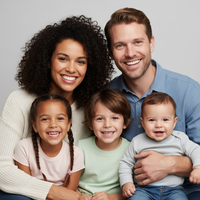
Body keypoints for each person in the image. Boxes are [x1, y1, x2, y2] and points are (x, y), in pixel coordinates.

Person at [0, 15, 114, 200]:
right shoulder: (19, 101)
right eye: (63, 58)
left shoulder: (92, 109)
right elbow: (2, 170)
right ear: (47, 60)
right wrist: (55, 192)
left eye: (81, 61)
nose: (71, 69)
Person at [105, 7, 200, 199]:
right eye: (120, 45)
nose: (130, 53)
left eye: (138, 42)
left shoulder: (189, 91)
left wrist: (169, 164)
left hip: (185, 193)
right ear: (110, 52)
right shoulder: (105, 97)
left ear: (151, 43)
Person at [120, 92, 200, 200]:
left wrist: (197, 167)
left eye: (165, 120)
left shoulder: (180, 138)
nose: (158, 125)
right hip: (144, 190)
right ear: (143, 123)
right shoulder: (137, 141)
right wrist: (127, 183)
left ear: (174, 122)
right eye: (152, 120)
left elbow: (196, 150)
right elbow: (125, 163)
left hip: (174, 190)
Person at [13, 94, 85, 189]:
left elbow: (69, 193)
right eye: (45, 119)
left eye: (60, 118)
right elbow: (26, 187)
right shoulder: (24, 147)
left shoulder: (76, 154)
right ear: (35, 126)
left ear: (68, 124)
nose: (53, 124)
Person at [76, 89, 131, 200]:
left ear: (125, 123)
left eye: (114, 118)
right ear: (91, 124)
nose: (107, 124)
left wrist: (110, 197)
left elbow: (132, 190)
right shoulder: (81, 147)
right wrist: (80, 196)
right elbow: (70, 183)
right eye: (100, 118)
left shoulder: (130, 149)